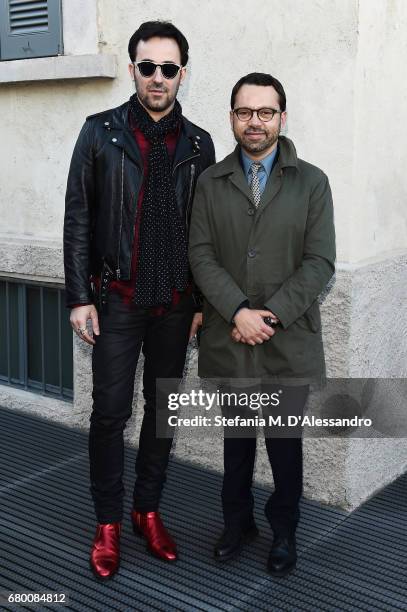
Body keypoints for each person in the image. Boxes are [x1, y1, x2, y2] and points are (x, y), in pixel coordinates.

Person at [63, 20, 215, 579]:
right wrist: (80, 297)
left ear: (181, 75)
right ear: (132, 70)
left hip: (176, 302)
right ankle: (107, 523)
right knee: (109, 414)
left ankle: (147, 511)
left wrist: (200, 301)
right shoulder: (99, 132)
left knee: (162, 413)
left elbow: (205, 229)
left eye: (168, 68)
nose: (157, 77)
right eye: (147, 66)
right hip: (118, 298)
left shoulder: (199, 143)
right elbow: (78, 217)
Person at [189, 73, 335, 576]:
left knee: (284, 446)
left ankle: (285, 532)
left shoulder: (312, 181)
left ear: (282, 117)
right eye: (245, 112)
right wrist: (237, 312)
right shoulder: (210, 181)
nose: (255, 122)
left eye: (265, 112)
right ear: (232, 117)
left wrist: (265, 318)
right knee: (236, 444)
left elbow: (320, 262)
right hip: (229, 337)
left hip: (285, 339)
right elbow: (201, 255)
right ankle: (237, 524)